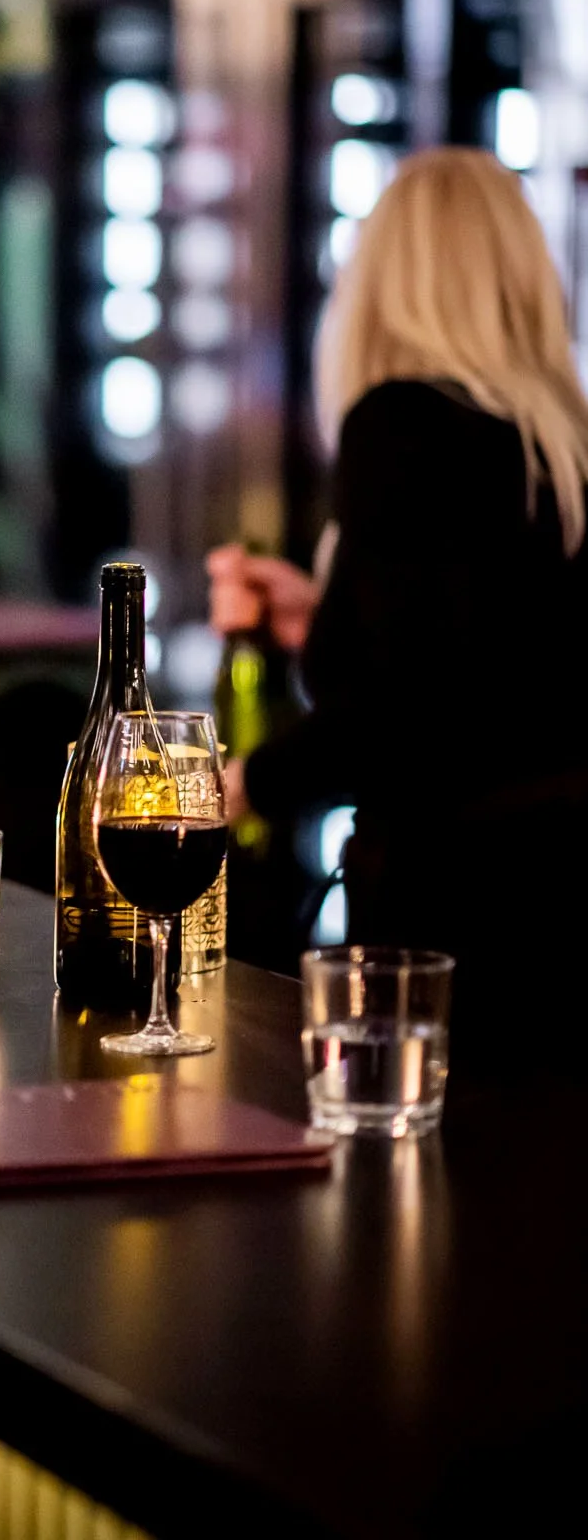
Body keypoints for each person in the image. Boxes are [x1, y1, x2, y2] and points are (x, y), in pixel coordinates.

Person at [208, 147, 588, 1053]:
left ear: (378, 280)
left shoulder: (397, 422)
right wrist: (323, 616)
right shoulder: (559, 446)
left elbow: (398, 712)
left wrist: (239, 786)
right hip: (564, 916)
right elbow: (490, 660)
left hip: (452, 919)